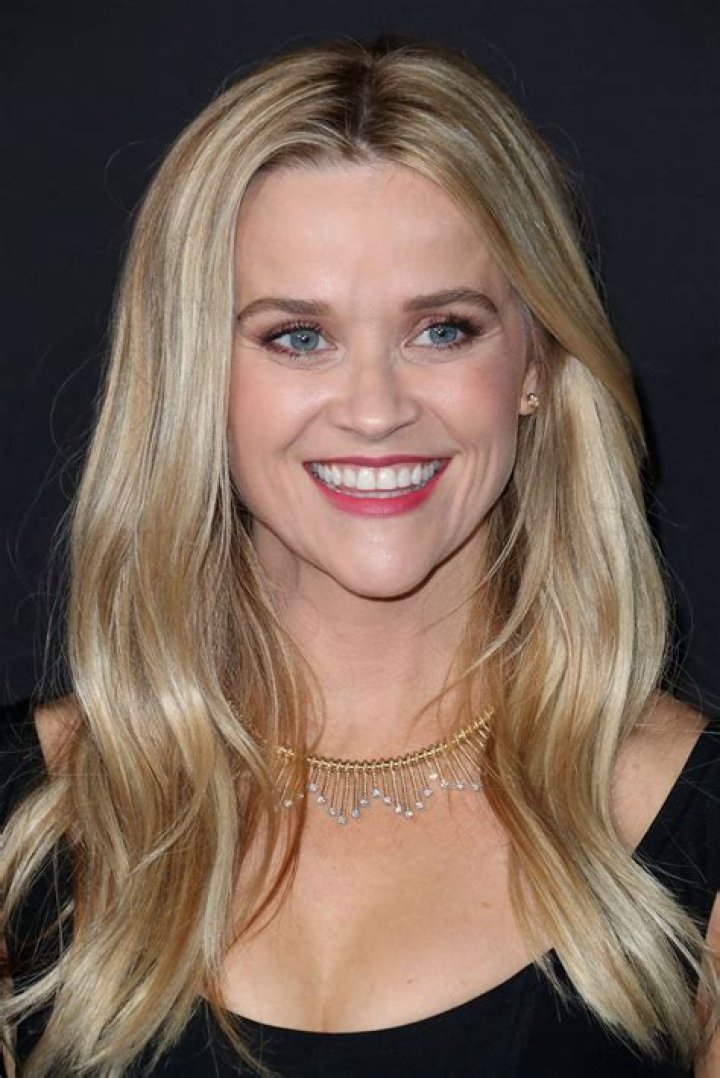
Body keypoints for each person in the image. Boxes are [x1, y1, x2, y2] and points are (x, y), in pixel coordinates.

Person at [1, 36, 718, 1078]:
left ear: (536, 361)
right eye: (298, 336)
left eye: (444, 329)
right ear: (197, 376)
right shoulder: (27, 818)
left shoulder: (694, 823)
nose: (376, 410)